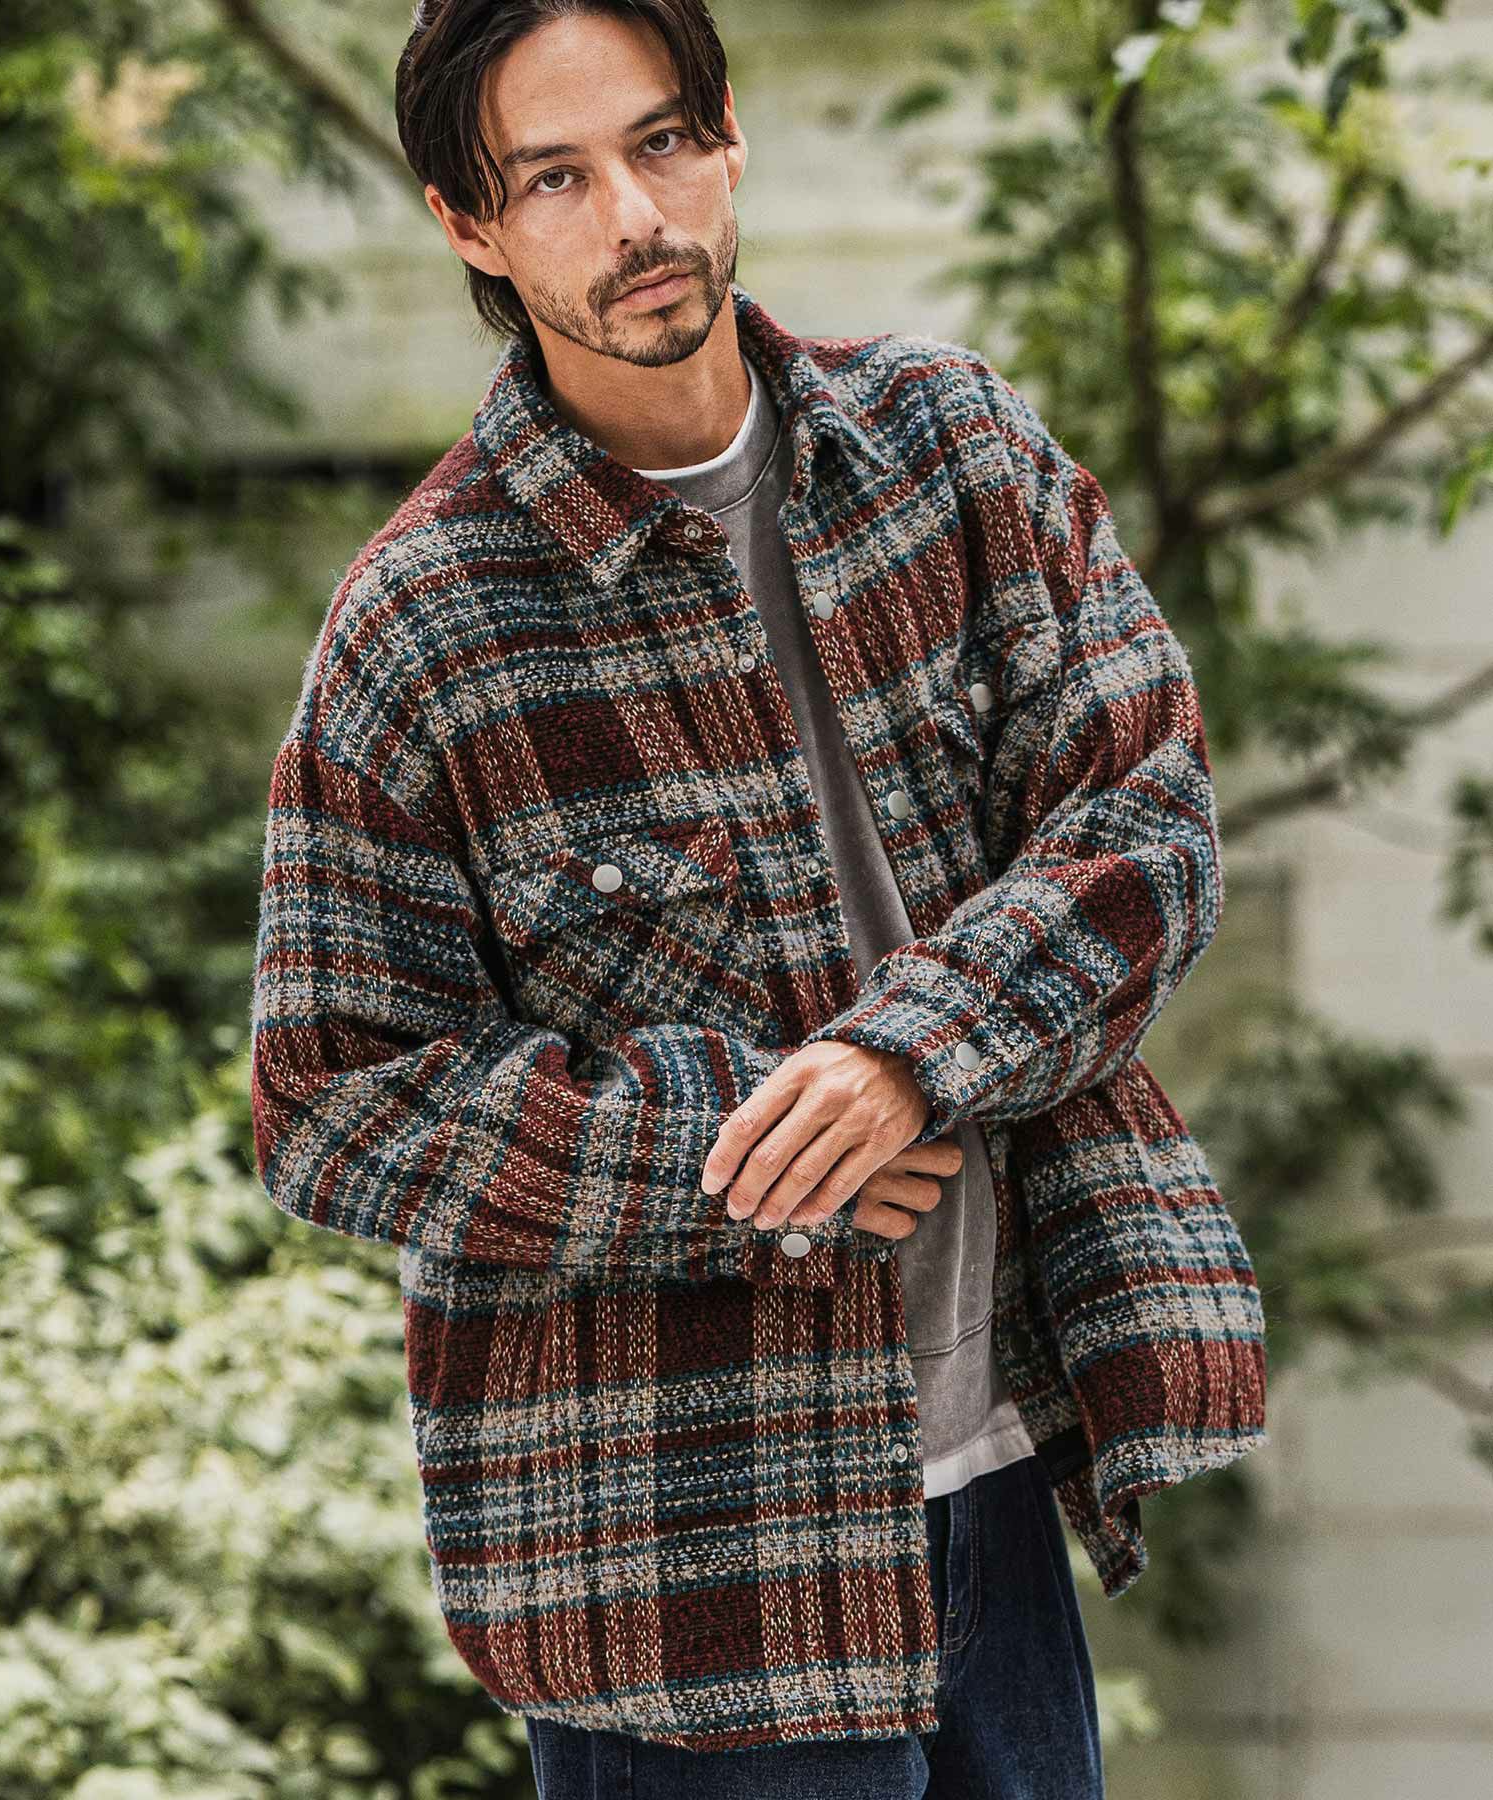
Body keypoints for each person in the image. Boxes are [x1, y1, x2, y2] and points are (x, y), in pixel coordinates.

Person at [249, 3, 1269, 1795]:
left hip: (996, 1478)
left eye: (660, 142)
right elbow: (332, 1100)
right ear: (467, 225)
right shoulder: (426, 625)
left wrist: (906, 1057)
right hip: (684, 1573)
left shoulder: (953, 451)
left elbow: (1148, 815)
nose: (635, 217)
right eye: (554, 179)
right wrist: (742, 1152)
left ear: (727, 137)